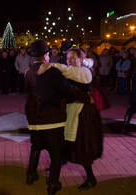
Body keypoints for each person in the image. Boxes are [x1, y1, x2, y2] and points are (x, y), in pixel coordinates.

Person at [39, 48, 103, 191]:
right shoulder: (70, 72)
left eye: (73, 58)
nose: (70, 61)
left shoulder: (85, 72)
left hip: (83, 114)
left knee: (82, 145)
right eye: (68, 58)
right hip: (71, 112)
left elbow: (69, 72)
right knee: (65, 140)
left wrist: (51, 65)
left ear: (81, 59)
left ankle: (91, 178)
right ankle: (59, 162)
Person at [25, 40, 75, 195]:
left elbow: (27, 93)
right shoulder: (52, 71)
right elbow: (67, 91)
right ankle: (53, 184)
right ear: (45, 55)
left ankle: (31, 175)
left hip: (34, 117)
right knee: (56, 154)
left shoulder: (28, 72)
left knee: (36, 146)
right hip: (52, 117)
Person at [120, 48, 136, 134]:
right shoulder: (133, 60)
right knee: (131, 109)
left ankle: (124, 127)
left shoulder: (133, 60)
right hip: (134, 88)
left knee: (131, 109)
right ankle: (124, 127)